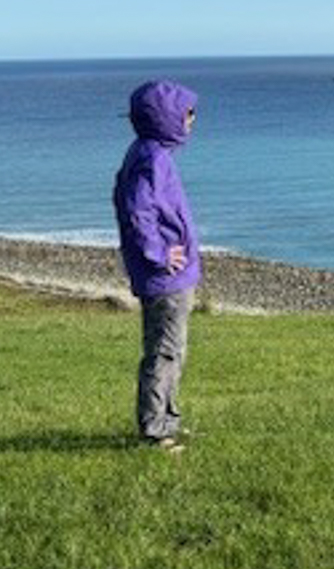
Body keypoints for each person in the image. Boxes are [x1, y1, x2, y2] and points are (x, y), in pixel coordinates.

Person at [112, 80, 201, 452]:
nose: (192, 121)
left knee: (172, 350)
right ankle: (155, 432)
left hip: (170, 275)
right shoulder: (153, 159)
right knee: (165, 351)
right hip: (165, 277)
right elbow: (136, 212)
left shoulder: (148, 153)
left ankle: (167, 421)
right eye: (187, 114)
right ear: (165, 118)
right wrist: (159, 255)